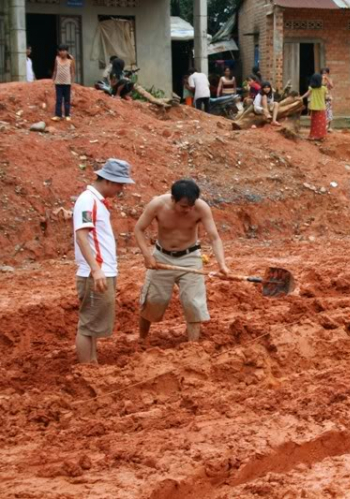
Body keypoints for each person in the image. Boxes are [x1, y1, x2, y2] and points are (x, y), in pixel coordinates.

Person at [134, 179, 230, 343]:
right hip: (162, 257)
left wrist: (222, 264)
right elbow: (138, 229)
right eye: (184, 206)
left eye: (192, 205)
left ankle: (193, 345)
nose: (189, 210)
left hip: (190, 258)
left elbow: (214, 238)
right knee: (153, 300)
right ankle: (142, 340)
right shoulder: (157, 205)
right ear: (173, 199)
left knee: (193, 302)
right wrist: (147, 256)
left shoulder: (201, 208)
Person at [73, 159, 135, 363]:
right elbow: (81, 235)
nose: (121, 189)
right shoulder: (87, 200)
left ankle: (92, 364)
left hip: (103, 270)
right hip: (96, 272)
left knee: (94, 325)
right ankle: (86, 369)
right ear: (108, 181)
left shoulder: (97, 201)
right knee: (88, 325)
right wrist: (96, 269)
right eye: (120, 184)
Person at [51, 44, 76, 122]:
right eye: (61, 50)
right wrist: (52, 80)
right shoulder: (57, 59)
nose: (62, 52)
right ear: (59, 52)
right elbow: (55, 70)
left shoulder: (70, 61)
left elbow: (72, 72)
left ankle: (67, 115)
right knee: (58, 100)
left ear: (67, 52)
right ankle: (58, 115)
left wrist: (72, 82)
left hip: (67, 83)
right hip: (58, 83)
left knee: (67, 100)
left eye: (64, 50)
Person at [302, 73, 328, 140]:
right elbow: (326, 96)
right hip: (321, 107)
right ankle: (321, 136)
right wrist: (325, 80)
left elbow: (307, 94)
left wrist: (301, 97)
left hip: (313, 107)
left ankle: (313, 136)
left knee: (314, 123)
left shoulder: (311, 88)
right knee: (321, 123)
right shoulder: (324, 89)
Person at [321, 67, 334, 132]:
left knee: (329, 111)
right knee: (323, 111)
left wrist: (327, 79)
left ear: (328, 73)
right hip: (321, 98)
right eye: (323, 73)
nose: (324, 74)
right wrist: (322, 79)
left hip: (328, 97)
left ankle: (329, 127)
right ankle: (323, 125)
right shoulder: (320, 79)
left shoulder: (329, 79)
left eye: (325, 73)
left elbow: (331, 86)